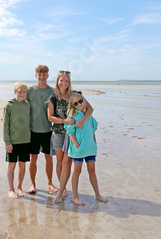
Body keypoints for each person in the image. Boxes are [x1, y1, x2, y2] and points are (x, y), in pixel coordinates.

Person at [49, 71, 94, 203]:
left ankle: (71, 193)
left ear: (69, 83)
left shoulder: (76, 95)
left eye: (66, 81)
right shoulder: (53, 97)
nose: (64, 83)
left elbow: (90, 109)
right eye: (61, 80)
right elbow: (50, 117)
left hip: (73, 134)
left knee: (67, 163)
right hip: (58, 133)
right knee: (59, 162)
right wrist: (64, 121)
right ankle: (62, 189)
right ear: (57, 81)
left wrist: (83, 120)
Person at [64, 92, 107, 205]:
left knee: (92, 171)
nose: (79, 104)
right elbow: (70, 133)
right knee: (77, 171)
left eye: (80, 101)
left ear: (83, 101)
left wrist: (95, 144)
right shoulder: (72, 116)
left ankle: (98, 195)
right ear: (72, 105)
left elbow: (92, 130)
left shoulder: (88, 115)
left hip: (90, 148)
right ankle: (75, 196)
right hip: (79, 150)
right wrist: (77, 146)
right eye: (76, 103)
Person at [26, 65, 58, 194]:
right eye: (39, 74)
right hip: (33, 130)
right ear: (36, 76)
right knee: (33, 158)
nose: (42, 77)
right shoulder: (29, 91)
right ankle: (33, 184)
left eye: (44, 74)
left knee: (49, 158)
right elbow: (22, 107)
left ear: (47, 76)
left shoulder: (53, 91)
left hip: (48, 130)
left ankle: (50, 183)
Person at [3, 82, 31, 199]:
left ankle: (19, 187)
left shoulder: (27, 104)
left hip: (25, 140)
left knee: (22, 165)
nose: (22, 94)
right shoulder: (9, 105)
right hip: (13, 141)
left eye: (24, 92)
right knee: (12, 165)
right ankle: (11, 189)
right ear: (15, 92)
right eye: (20, 92)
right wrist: (7, 141)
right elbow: (5, 124)